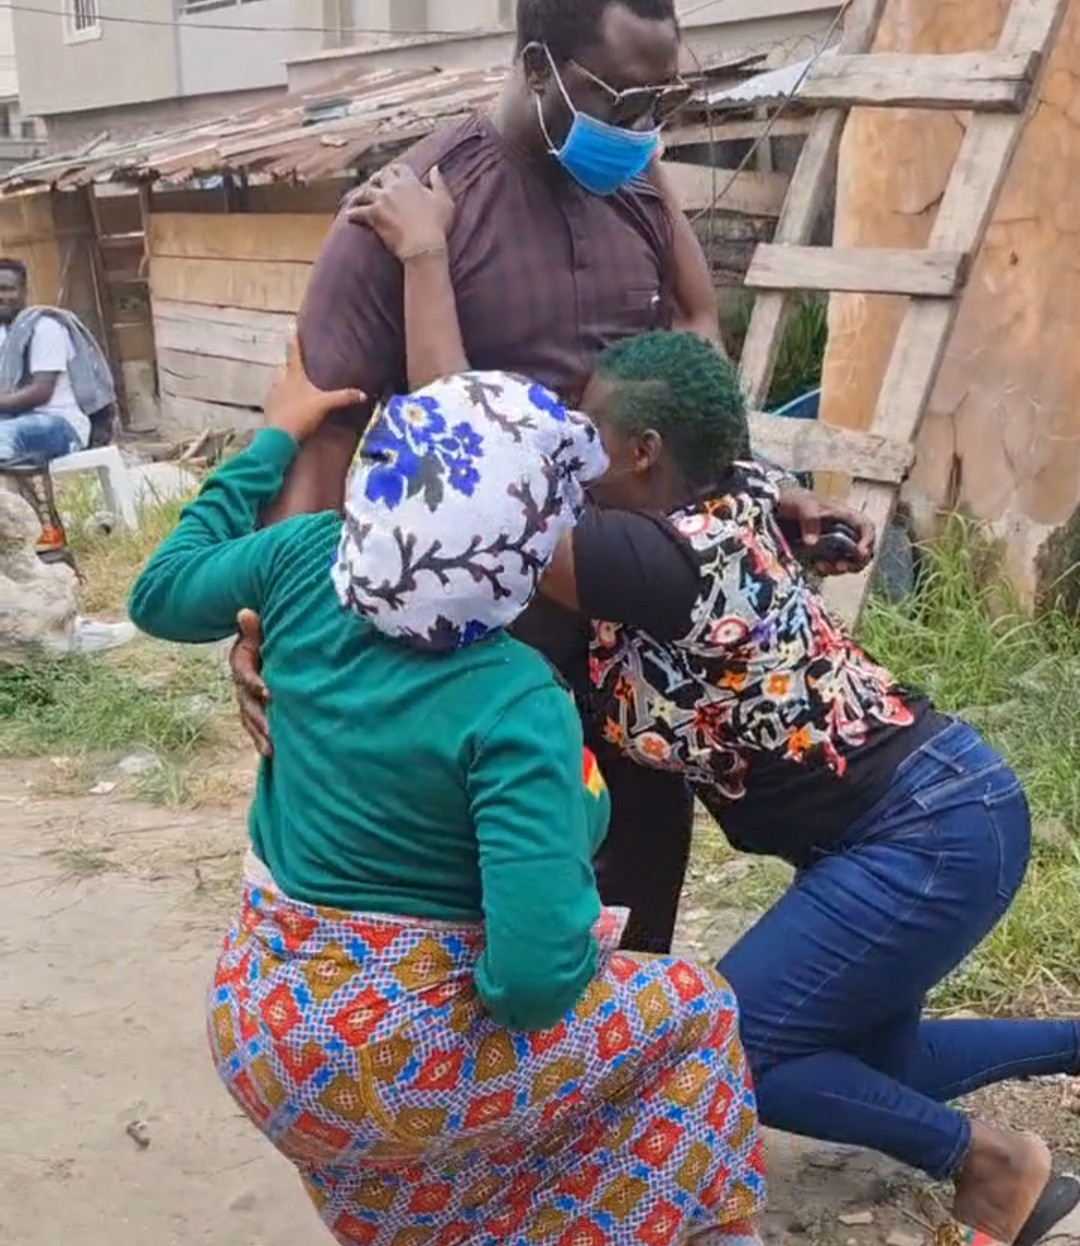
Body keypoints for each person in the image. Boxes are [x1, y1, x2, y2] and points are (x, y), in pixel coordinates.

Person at [354, 185, 1080, 1246]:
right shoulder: (728, 487)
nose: (563, 445)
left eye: (583, 432)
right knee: (871, 1067)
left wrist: (425, 257)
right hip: (930, 816)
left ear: (642, 451)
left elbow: (465, 471)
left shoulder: (664, 557)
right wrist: (653, 188)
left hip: (927, 832)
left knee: (730, 1046)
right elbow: (699, 321)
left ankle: (996, 1167)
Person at [229, 0, 874, 956]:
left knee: (633, 888)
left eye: (663, 96)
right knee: (476, 905)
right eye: (624, 94)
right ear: (538, 66)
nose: (644, 123)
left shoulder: (638, 197)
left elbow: (680, 383)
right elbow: (325, 433)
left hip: (628, 638)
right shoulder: (409, 211)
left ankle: (604, 1082)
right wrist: (274, 623)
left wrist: (758, 486)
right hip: (465, 641)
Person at [127, 345, 767, 1246]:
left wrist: (275, 437)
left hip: (259, 1027)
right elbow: (531, 982)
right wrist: (582, 817)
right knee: (695, 1010)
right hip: (384, 1063)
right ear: (524, 546)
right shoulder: (515, 703)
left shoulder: (303, 561)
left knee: (442, 1098)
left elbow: (159, 594)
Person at [0, 258, 114, 463]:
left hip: (59, 424)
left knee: (3, 435)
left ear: (24, 292)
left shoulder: (45, 327)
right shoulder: (4, 335)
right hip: (16, 421)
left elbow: (40, 393)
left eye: (7, 289)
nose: (1, 297)